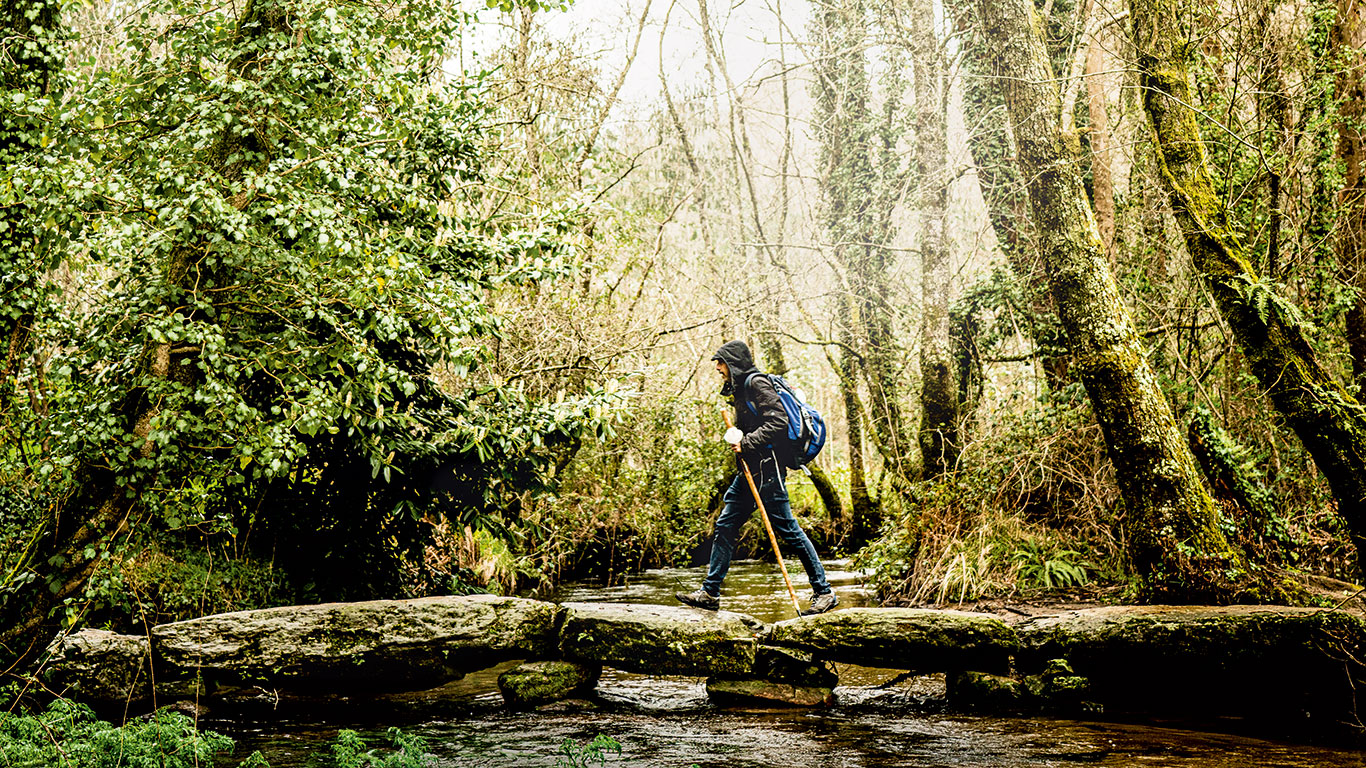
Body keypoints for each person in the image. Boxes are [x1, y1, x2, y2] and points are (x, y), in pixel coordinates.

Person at [676, 340, 838, 614]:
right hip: (750, 470)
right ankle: (710, 593)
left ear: (734, 362)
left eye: (721, 362)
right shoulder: (741, 389)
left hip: (768, 468)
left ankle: (824, 592)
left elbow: (778, 422)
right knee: (726, 525)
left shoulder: (756, 383)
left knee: (788, 530)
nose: (717, 367)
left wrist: (747, 442)